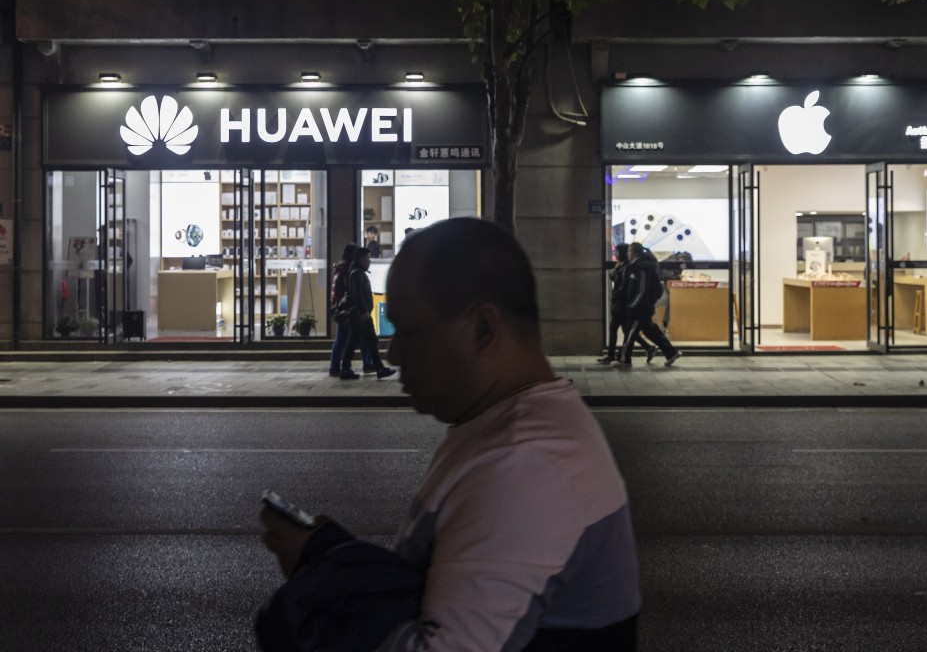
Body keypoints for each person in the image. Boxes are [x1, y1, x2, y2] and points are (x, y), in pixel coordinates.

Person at [260, 217, 641, 651]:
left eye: (410, 331)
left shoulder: (525, 465)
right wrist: (333, 556)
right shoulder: (501, 425)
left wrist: (318, 597)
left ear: (482, 329)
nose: (394, 353)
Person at [617, 242, 681, 368]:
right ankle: (671, 352)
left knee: (630, 332)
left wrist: (633, 304)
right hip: (643, 305)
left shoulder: (641, 268)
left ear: (634, 253)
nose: (627, 254)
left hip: (639, 307)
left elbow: (642, 289)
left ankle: (624, 359)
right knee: (650, 330)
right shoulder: (642, 266)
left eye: (629, 251)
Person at [338, 247, 396, 381]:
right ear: (361, 259)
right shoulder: (357, 274)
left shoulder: (357, 272)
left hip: (360, 315)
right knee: (365, 341)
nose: (369, 261)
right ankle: (374, 368)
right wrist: (364, 311)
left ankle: (375, 368)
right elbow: (357, 295)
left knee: (367, 341)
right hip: (360, 315)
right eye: (367, 258)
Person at [598, 242, 655, 365]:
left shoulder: (626, 267)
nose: (616, 254)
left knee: (615, 329)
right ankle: (648, 348)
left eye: (618, 252)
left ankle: (612, 355)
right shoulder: (623, 266)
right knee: (626, 331)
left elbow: (623, 286)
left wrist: (614, 277)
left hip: (622, 305)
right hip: (623, 304)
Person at [327, 244, 375, 377]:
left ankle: (335, 367)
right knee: (361, 338)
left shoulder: (341, 268)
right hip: (349, 310)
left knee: (343, 340)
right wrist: (361, 308)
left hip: (343, 309)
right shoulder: (350, 270)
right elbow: (354, 292)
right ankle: (365, 364)